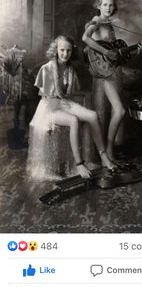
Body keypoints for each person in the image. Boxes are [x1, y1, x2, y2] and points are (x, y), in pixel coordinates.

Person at [27, 35, 115, 181]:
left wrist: (73, 104)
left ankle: (104, 157)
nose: (65, 54)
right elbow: (45, 97)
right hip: (49, 108)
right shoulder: (47, 68)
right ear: (56, 50)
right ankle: (79, 163)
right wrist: (54, 113)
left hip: (64, 103)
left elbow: (70, 95)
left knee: (93, 115)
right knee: (73, 120)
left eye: (68, 51)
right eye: (62, 50)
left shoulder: (70, 69)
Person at [82, 0, 126, 160]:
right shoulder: (96, 20)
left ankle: (109, 149)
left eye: (111, 5)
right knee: (116, 110)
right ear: (99, 6)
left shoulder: (108, 24)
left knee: (117, 110)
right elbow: (85, 38)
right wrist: (106, 52)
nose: (108, 8)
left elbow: (111, 47)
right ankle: (106, 150)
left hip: (110, 70)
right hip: (103, 73)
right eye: (105, 5)